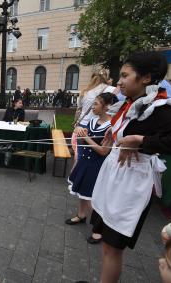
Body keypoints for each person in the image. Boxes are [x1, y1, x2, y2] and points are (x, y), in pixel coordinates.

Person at [89, 51, 171, 283]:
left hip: (131, 186)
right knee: (107, 246)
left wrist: (140, 141)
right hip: (115, 179)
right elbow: (127, 127)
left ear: (146, 78)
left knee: (112, 248)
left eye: (125, 75)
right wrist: (114, 132)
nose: (119, 82)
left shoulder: (161, 108)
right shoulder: (133, 103)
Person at [65, 93, 114, 245]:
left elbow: (104, 151)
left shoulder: (111, 128)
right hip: (84, 163)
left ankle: (99, 229)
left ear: (106, 106)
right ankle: (81, 215)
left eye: (96, 104)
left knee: (93, 199)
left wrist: (85, 137)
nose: (93, 107)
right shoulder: (93, 121)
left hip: (96, 167)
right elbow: (82, 137)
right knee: (81, 192)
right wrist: (79, 131)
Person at [71, 72, 108, 165]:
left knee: (80, 153)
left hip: (82, 124)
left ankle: (76, 172)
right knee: (92, 154)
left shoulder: (85, 91)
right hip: (95, 125)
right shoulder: (106, 89)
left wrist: (75, 122)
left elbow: (78, 109)